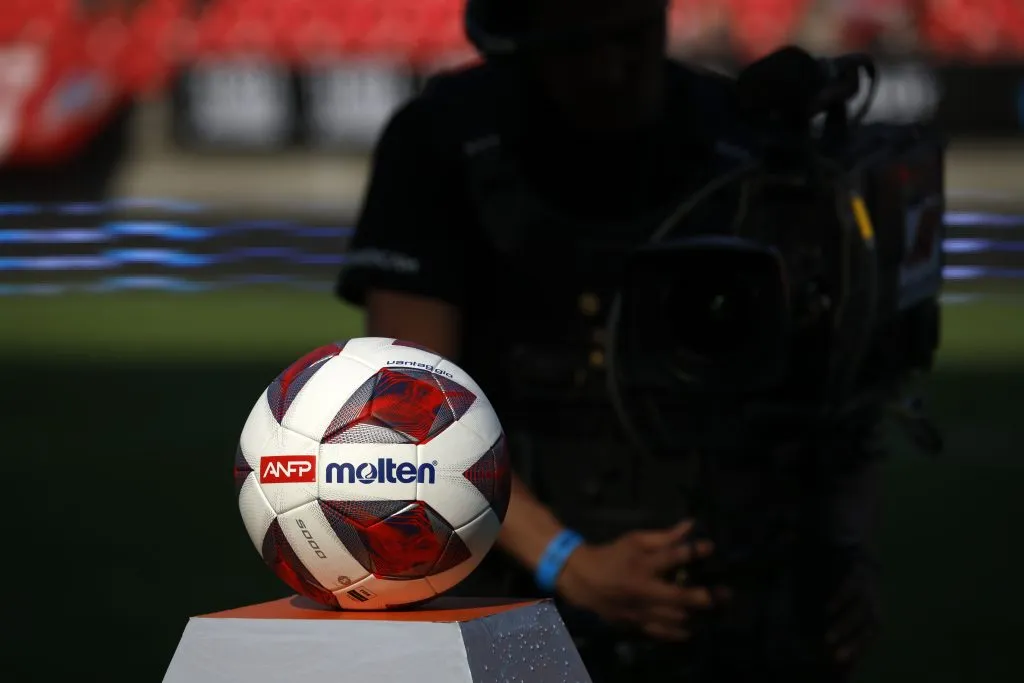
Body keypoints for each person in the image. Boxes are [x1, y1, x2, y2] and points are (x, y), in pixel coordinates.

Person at [336, 1, 881, 681]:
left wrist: (839, 554)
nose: (611, 68)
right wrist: (570, 562)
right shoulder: (441, 139)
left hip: (732, 592)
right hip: (511, 593)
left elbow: (842, 384)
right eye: (578, 44)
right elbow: (410, 402)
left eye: (633, 35)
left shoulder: (746, 135)